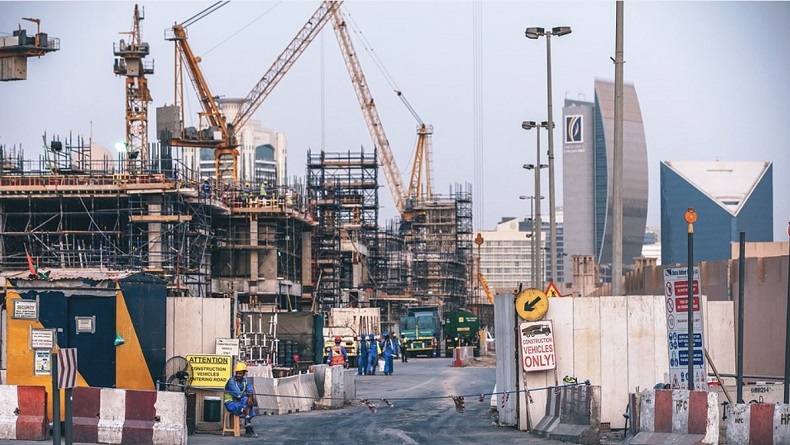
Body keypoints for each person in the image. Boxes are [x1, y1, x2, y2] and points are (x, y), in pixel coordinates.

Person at [224, 362, 258, 438]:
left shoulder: (246, 381)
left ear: (244, 373)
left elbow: (250, 390)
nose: (238, 375)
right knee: (247, 400)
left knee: (248, 402)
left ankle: (248, 425)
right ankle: (248, 427)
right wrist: (251, 397)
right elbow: (239, 394)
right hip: (231, 403)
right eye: (237, 373)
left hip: (241, 402)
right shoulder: (231, 381)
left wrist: (251, 397)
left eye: (240, 373)